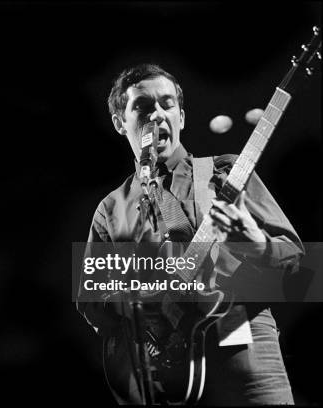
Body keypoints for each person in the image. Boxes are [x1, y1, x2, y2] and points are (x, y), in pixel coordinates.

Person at [76, 64, 304, 405]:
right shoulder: (111, 209)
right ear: (119, 122)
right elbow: (93, 301)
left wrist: (256, 241)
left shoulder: (226, 175)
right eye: (142, 106)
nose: (157, 115)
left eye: (167, 104)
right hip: (162, 381)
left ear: (181, 117)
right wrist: (146, 305)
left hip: (244, 356)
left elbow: (299, 266)